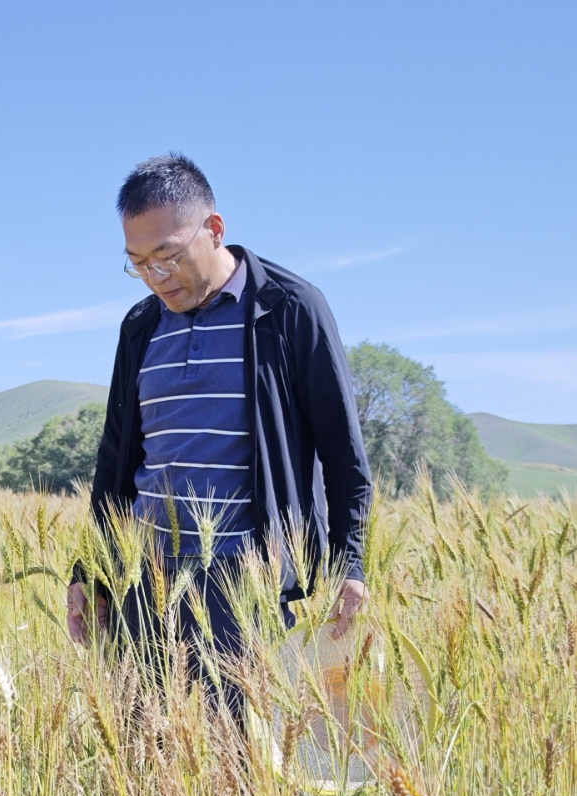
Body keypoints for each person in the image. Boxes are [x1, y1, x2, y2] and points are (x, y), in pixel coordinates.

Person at [66, 153, 372, 718]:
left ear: (214, 228)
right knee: (141, 751)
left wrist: (348, 563)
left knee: (241, 751)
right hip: (144, 576)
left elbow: (343, 454)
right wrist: (92, 570)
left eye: (168, 256)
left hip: (243, 582)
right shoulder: (140, 326)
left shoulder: (288, 309)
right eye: (138, 263)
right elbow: (116, 459)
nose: (156, 277)